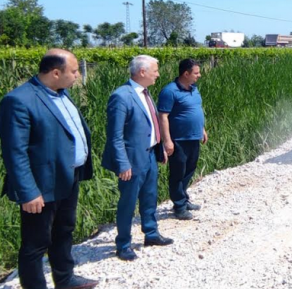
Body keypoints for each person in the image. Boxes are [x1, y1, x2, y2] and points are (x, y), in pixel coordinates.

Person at [0, 49, 98, 289]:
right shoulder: (19, 100)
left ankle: (65, 279)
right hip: (40, 185)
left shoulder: (61, 93)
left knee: (64, 230)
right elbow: (15, 151)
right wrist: (28, 192)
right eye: (74, 71)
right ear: (56, 72)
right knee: (36, 242)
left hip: (68, 177)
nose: (77, 75)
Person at [102, 55, 173, 261]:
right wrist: (123, 164)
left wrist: (159, 149)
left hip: (149, 155)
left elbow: (151, 123)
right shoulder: (121, 96)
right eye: (155, 70)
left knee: (150, 197)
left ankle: (151, 233)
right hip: (132, 160)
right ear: (142, 72)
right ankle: (123, 244)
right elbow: (115, 135)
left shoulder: (145, 92)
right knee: (128, 202)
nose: (158, 74)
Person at [158, 59, 208, 220]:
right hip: (178, 139)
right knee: (178, 173)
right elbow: (163, 117)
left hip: (194, 137)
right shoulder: (169, 91)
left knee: (189, 170)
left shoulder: (194, 89)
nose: (199, 75)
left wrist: (202, 129)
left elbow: (195, 110)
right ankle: (179, 206)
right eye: (196, 73)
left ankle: (183, 198)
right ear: (185, 73)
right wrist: (167, 141)